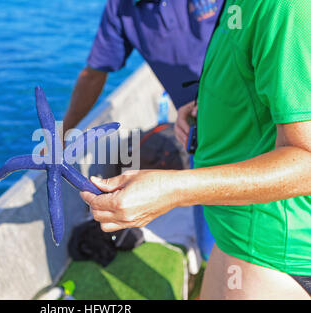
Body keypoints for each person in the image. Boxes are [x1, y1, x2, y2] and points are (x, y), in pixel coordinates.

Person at [80, 0, 311, 299]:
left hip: (272, 250)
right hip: (235, 236)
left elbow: (306, 161)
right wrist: (212, 103)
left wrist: (173, 190)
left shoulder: (285, 7)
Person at [63, 0, 225, 260]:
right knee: (213, 246)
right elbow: (94, 74)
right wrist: (64, 132)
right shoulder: (120, 8)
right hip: (198, 131)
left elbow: (254, 40)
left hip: (246, 113)